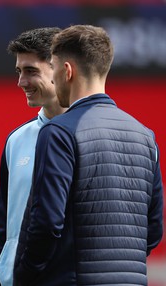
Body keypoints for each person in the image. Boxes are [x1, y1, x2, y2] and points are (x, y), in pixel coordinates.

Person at [14, 24, 164, 285]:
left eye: (55, 68)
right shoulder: (145, 136)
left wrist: (24, 275)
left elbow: (47, 224)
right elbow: (153, 229)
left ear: (67, 71)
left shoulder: (58, 132)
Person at [0, 27, 66, 286]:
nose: (21, 82)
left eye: (31, 71)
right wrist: (0, 270)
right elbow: (5, 222)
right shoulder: (17, 140)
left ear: (61, 70)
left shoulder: (89, 135)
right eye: (19, 72)